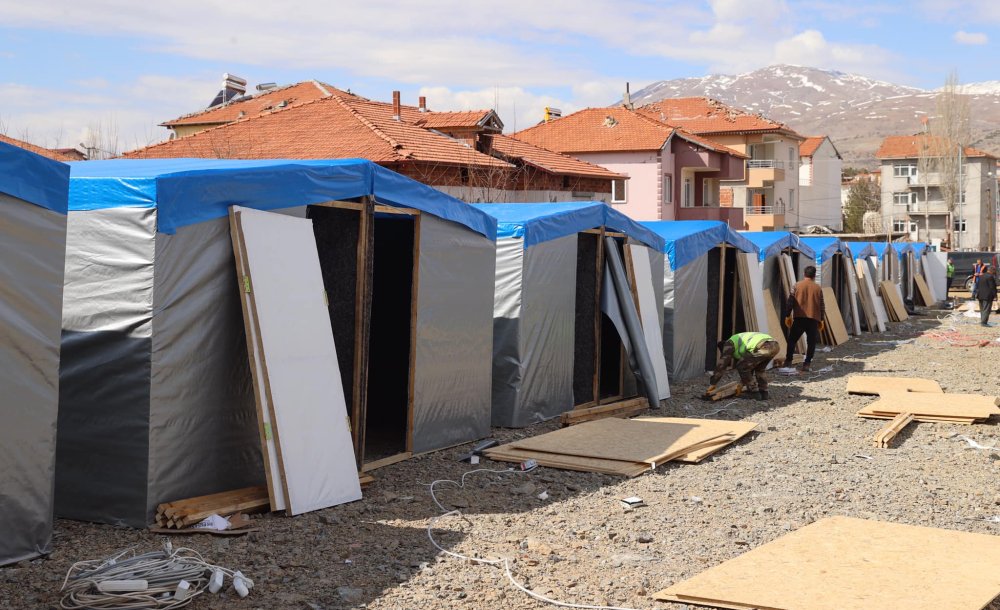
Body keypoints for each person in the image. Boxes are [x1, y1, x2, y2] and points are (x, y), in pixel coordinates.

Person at [705, 332, 780, 400]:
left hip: (764, 346)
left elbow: (722, 365)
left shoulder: (729, 344)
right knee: (759, 369)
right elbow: (750, 367)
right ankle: (764, 393)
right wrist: (742, 384)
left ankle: (754, 393)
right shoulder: (740, 344)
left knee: (741, 366)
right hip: (775, 346)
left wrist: (713, 383)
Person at [781, 265, 825, 372]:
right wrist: (822, 319)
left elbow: (790, 302)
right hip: (813, 319)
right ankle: (807, 364)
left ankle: (788, 361)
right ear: (814, 276)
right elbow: (822, 305)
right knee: (811, 342)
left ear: (804, 274)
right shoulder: (818, 288)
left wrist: (787, 315)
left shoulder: (796, 285)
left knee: (792, 340)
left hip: (799, 318)